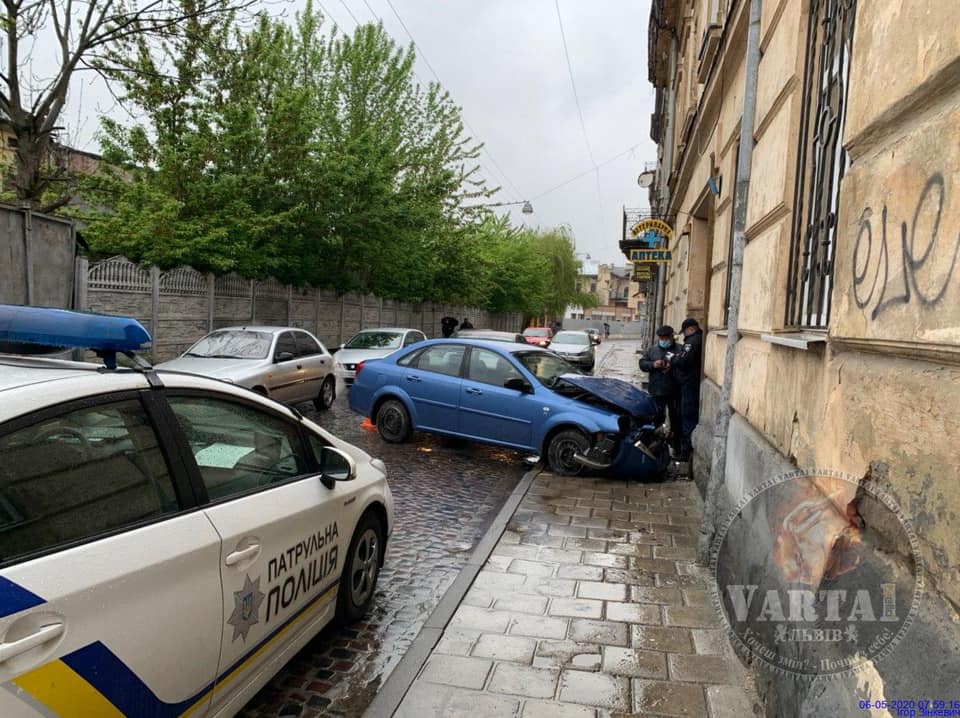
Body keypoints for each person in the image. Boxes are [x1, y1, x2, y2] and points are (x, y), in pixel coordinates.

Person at [638, 325, 682, 457]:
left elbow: (685, 367)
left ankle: (676, 448)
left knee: (676, 420)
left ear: (671, 337)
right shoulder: (653, 350)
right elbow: (642, 363)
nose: (664, 340)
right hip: (657, 390)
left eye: (666, 338)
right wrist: (653, 364)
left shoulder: (679, 349)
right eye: (661, 338)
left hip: (675, 391)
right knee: (656, 419)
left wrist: (673, 366)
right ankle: (655, 446)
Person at [670, 317, 703, 462]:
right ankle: (686, 449)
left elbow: (683, 361)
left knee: (687, 417)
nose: (684, 335)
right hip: (693, 383)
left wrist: (673, 359)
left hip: (690, 384)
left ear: (690, 329)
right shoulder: (700, 337)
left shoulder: (692, 341)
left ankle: (685, 452)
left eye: (684, 332)